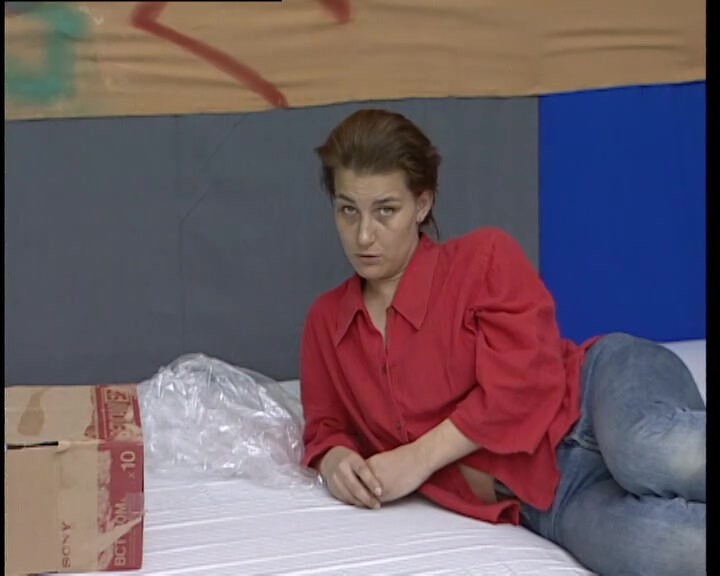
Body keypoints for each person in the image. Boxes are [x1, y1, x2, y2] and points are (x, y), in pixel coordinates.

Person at [299, 109, 706, 575]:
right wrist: (335, 461)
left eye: (386, 210)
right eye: (347, 210)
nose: (364, 235)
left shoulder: (483, 258)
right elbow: (325, 426)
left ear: (422, 204)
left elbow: (522, 382)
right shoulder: (326, 323)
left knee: (647, 454)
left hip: (595, 394)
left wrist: (417, 459)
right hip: (549, 498)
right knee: (676, 547)